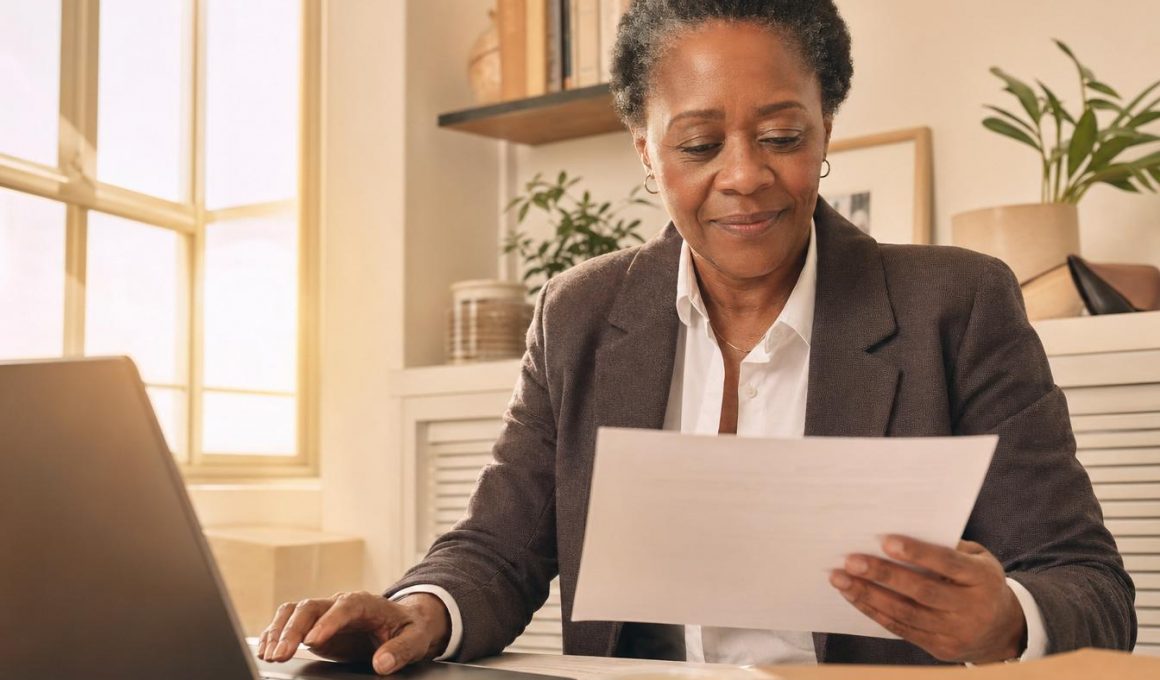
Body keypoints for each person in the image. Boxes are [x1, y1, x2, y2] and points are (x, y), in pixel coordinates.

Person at [257, 1, 1136, 674]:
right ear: (646, 149)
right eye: (699, 144)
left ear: (826, 129)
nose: (745, 176)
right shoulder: (580, 314)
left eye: (781, 136)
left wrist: (1007, 618)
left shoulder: (958, 304)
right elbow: (498, 548)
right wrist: (422, 610)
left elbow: (1089, 585)